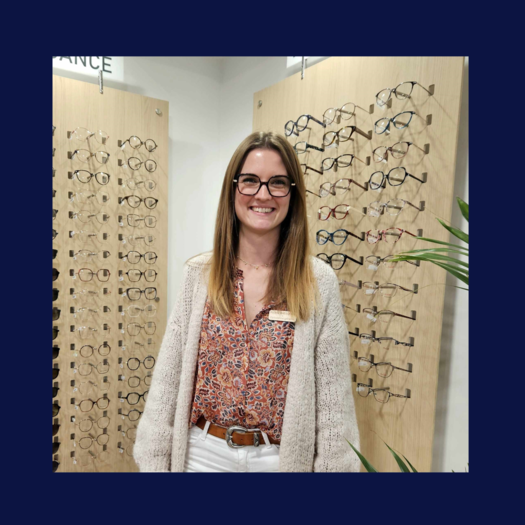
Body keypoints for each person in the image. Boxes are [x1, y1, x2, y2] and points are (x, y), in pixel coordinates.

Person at [133, 131, 360, 472]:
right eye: (250, 181)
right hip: (202, 454)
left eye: (278, 182)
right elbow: (168, 379)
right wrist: (153, 461)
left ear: (292, 193)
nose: (263, 195)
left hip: (277, 460)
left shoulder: (317, 281)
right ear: (233, 189)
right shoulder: (199, 275)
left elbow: (333, 402)